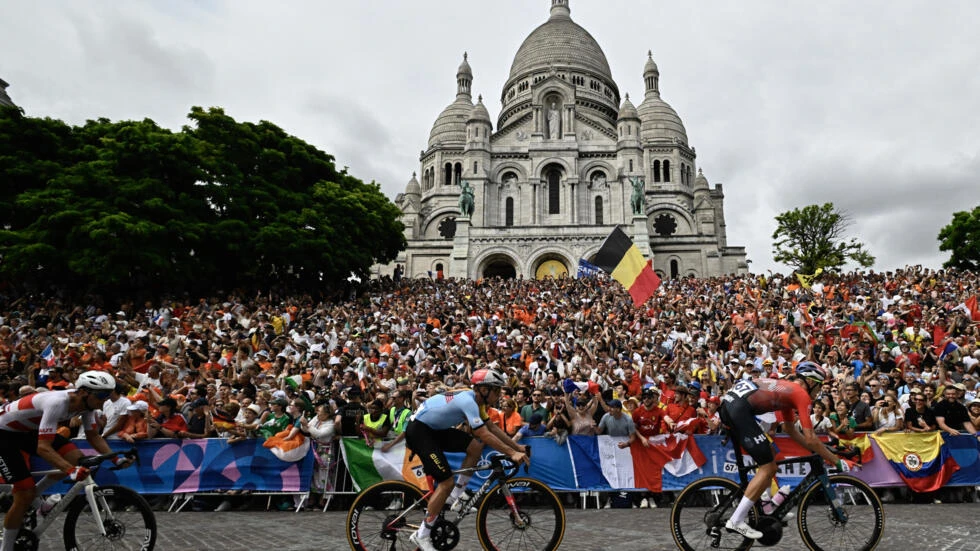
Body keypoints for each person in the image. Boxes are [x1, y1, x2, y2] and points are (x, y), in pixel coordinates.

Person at [0, 371, 132, 551]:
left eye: (108, 395)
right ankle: (6, 547)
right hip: (4, 435)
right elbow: (43, 448)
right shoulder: (57, 403)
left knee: (79, 460)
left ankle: (40, 506)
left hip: (26, 430)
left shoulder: (88, 407)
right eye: (102, 395)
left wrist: (116, 458)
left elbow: (94, 436)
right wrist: (71, 471)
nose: (105, 401)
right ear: (85, 392)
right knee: (24, 493)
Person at [718, 361, 845, 539]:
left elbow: (790, 430)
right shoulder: (801, 394)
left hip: (732, 406)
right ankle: (736, 520)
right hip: (738, 410)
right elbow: (810, 438)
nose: (819, 391)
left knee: (771, 455)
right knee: (768, 467)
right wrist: (837, 460)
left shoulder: (787, 390)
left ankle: (766, 507)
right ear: (811, 381)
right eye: (820, 385)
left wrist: (820, 449)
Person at [405, 369, 528, 551]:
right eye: (496, 390)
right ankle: (422, 534)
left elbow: (492, 429)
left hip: (434, 430)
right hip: (420, 431)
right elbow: (483, 434)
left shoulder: (477, 403)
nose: (498, 395)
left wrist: (518, 448)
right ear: (483, 390)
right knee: (446, 482)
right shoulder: (468, 401)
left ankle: (456, 496)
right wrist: (512, 453)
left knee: (475, 448)